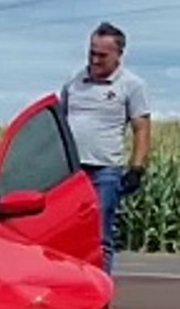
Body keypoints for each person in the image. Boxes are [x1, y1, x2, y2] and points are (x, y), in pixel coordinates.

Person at [58, 21, 151, 274]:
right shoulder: (74, 82)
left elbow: (141, 128)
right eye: (92, 52)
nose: (95, 60)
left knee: (99, 237)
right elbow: (59, 122)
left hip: (105, 172)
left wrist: (137, 168)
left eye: (102, 55)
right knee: (67, 237)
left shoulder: (132, 85)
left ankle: (100, 296)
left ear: (119, 54)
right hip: (72, 172)